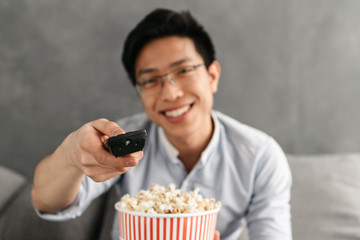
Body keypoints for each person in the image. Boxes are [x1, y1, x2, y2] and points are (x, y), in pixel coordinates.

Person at [31, 8, 292, 240]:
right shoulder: (122, 142)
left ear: (212, 76)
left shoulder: (260, 156)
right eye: (150, 80)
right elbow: (47, 202)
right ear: (139, 91)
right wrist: (70, 155)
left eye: (183, 71)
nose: (170, 93)